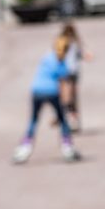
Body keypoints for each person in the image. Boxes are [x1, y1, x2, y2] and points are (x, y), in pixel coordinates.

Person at [13, 35, 80, 164]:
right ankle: (67, 146)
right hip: (52, 91)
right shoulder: (62, 62)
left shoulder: (46, 57)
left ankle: (24, 147)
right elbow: (65, 85)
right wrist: (67, 105)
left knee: (33, 120)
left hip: (36, 90)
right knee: (62, 119)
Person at [58, 21, 93, 131]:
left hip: (66, 71)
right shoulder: (75, 42)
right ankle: (73, 119)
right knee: (72, 97)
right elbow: (81, 55)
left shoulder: (63, 42)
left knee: (66, 96)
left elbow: (58, 56)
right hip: (73, 71)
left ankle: (67, 118)